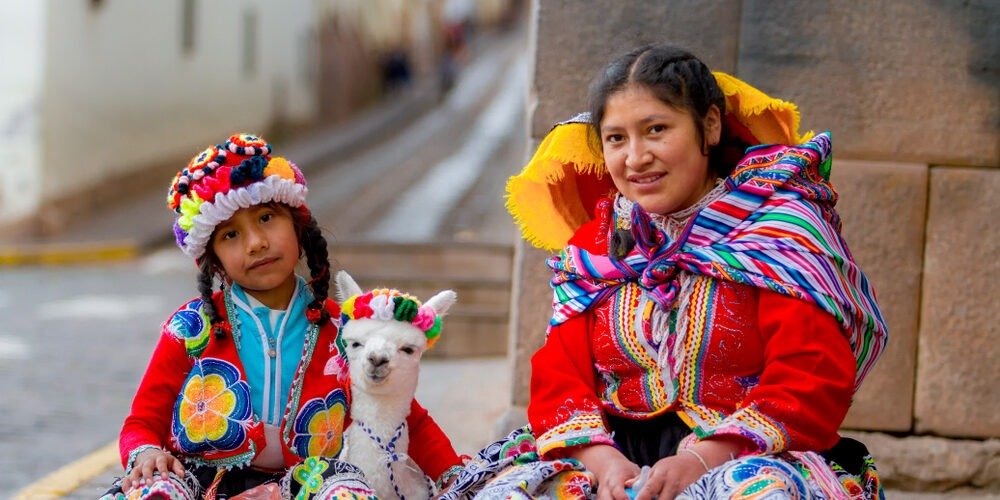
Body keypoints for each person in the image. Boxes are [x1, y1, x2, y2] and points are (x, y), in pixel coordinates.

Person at [444, 44, 889, 499]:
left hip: (747, 450)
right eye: (616, 138)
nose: (635, 157)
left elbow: (810, 375)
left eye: (656, 129)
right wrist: (605, 463)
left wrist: (701, 459)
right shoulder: (597, 246)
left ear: (710, 125)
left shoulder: (774, 233)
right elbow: (560, 378)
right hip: (613, 450)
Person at [101, 133, 462, 499]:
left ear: (297, 225)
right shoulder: (191, 328)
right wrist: (145, 451)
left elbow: (403, 413)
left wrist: (454, 474)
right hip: (205, 485)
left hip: (304, 484)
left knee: (347, 492)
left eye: (267, 217)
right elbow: (143, 421)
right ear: (215, 262)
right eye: (230, 235)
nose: (255, 242)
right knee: (152, 491)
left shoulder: (345, 331)